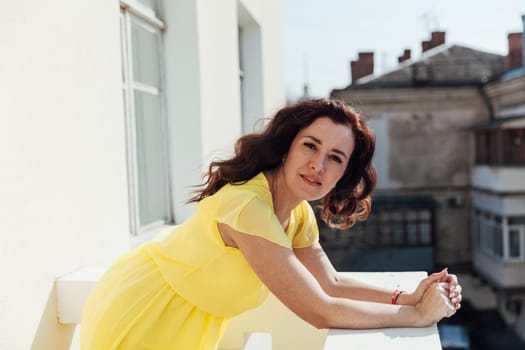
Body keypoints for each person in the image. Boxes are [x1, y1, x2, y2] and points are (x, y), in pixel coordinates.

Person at [80, 98, 462, 350]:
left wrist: (409, 295)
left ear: (344, 173)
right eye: (310, 146)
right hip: (145, 311)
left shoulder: (295, 212)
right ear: (287, 146)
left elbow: (330, 282)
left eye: (335, 157)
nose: (319, 165)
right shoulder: (249, 207)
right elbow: (320, 309)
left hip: (188, 326)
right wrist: (417, 316)